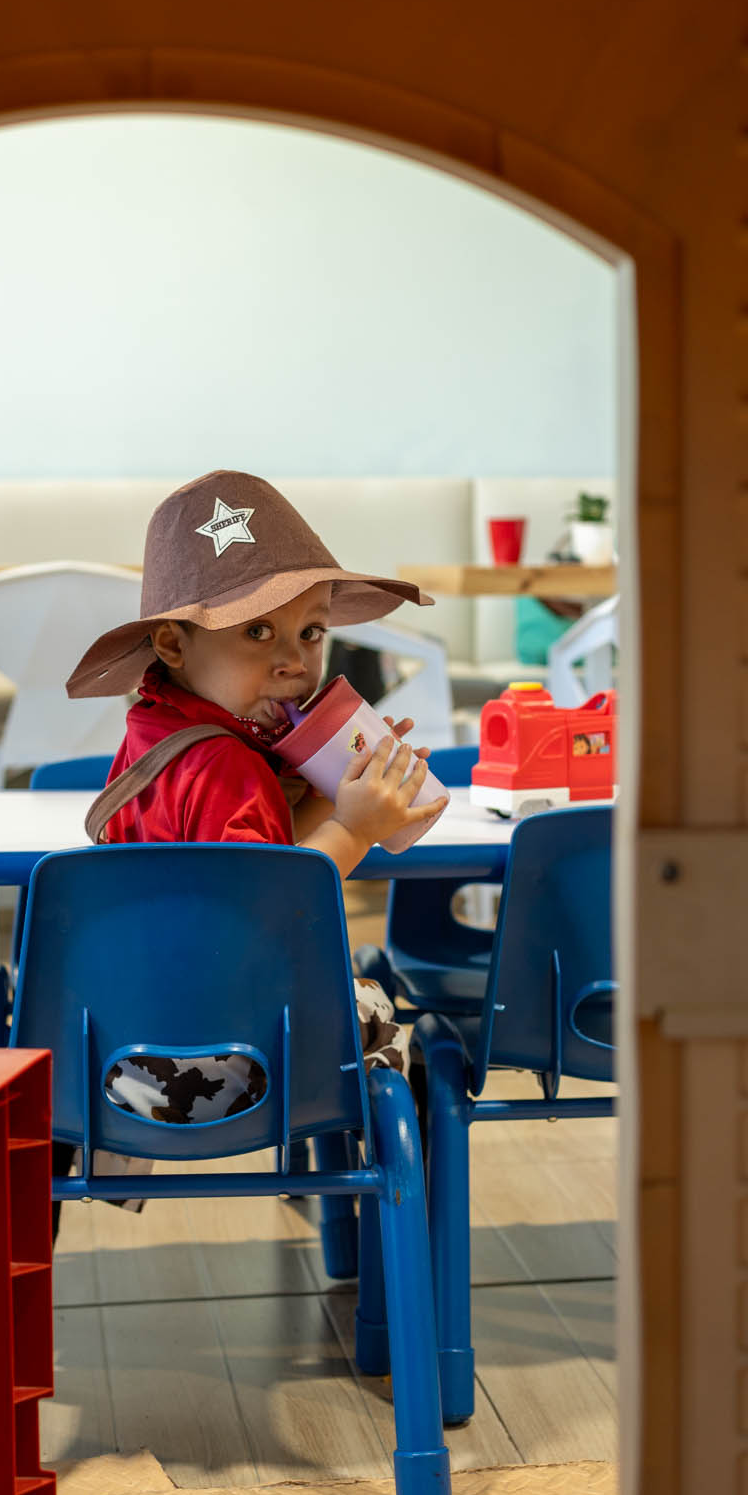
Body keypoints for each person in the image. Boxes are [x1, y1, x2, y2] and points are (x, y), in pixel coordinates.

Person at [55, 470, 443, 1221]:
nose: (294, 660)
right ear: (173, 643)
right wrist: (355, 829)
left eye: (311, 632)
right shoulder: (230, 765)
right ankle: (394, 1258)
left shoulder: (153, 733)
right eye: (257, 632)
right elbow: (268, 909)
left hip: (117, 1049)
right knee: (402, 1032)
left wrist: (335, 785)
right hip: (226, 1061)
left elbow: (240, 863)